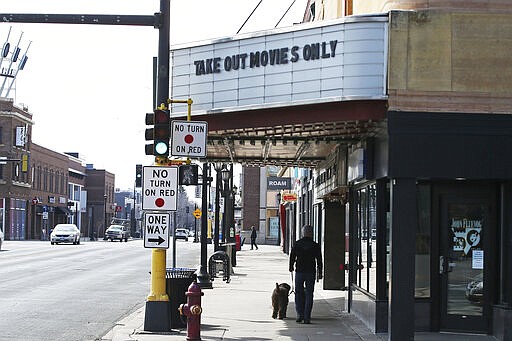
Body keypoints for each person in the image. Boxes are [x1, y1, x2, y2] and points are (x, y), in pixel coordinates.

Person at [289, 224, 323, 324]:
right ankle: (307, 316)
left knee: (298, 293)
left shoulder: (297, 244)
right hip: (310, 272)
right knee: (309, 294)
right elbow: (319, 260)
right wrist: (320, 272)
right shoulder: (315, 245)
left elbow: (292, 256)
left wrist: (290, 267)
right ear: (311, 233)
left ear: (303, 233)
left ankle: (300, 314)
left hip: (299, 271)